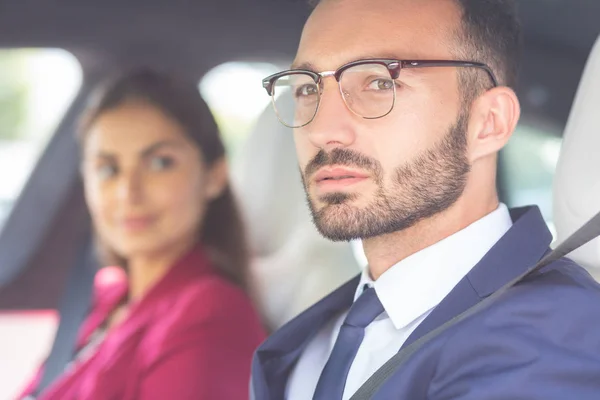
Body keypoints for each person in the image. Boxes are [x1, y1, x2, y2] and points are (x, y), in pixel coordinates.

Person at [251, 0, 600, 399]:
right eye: (308, 88)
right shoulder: (313, 341)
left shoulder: (553, 342)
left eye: (380, 82)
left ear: (488, 123)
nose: (323, 129)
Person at [19, 69, 266, 400]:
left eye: (160, 163)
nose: (127, 193)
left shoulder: (208, 314)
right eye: (108, 169)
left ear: (214, 176)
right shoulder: (112, 297)